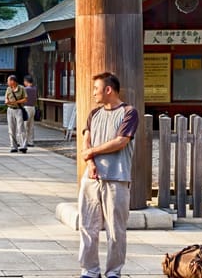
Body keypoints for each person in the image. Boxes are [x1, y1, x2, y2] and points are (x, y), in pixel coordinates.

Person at [77, 72, 139, 278]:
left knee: (116, 229)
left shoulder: (129, 112)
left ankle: (113, 272)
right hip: (92, 177)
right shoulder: (94, 113)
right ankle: (90, 270)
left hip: (117, 178)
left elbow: (121, 141)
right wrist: (90, 163)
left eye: (96, 88)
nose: (94, 93)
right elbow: (86, 139)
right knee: (88, 225)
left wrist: (93, 152)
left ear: (108, 90)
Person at [4, 75, 28, 153]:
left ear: (13, 81)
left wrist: (15, 102)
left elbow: (25, 99)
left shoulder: (21, 88)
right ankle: (13, 146)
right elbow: (6, 98)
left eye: (8, 81)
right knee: (11, 129)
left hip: (18, 110)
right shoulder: (8, 89)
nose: (7, 82)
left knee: (21, 128)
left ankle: (23, 146)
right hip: (10, 109)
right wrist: (7, 101)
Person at [23, 75, 39, 145]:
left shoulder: (26, 89)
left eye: (24, 81)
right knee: (31, 125)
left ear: (26, 81)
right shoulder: (35, 88)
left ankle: (24, 141)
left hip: (26, 108)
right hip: (33, 108)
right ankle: (31, 141)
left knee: (25, 125)